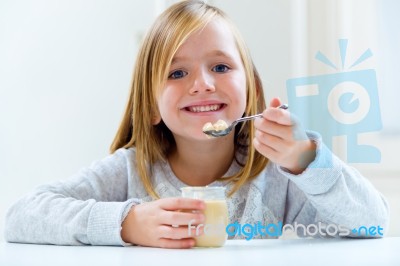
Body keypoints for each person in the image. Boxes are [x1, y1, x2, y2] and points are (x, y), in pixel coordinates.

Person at [5, 0, 389, 249]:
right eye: (177, 73)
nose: (203, 83)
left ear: (251, 90)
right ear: (150, 107)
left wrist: (307, 160)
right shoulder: (129, 171)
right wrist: (127, 224)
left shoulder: (277, 177)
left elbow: (372, 224)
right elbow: (22, 215)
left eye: (220, 67)